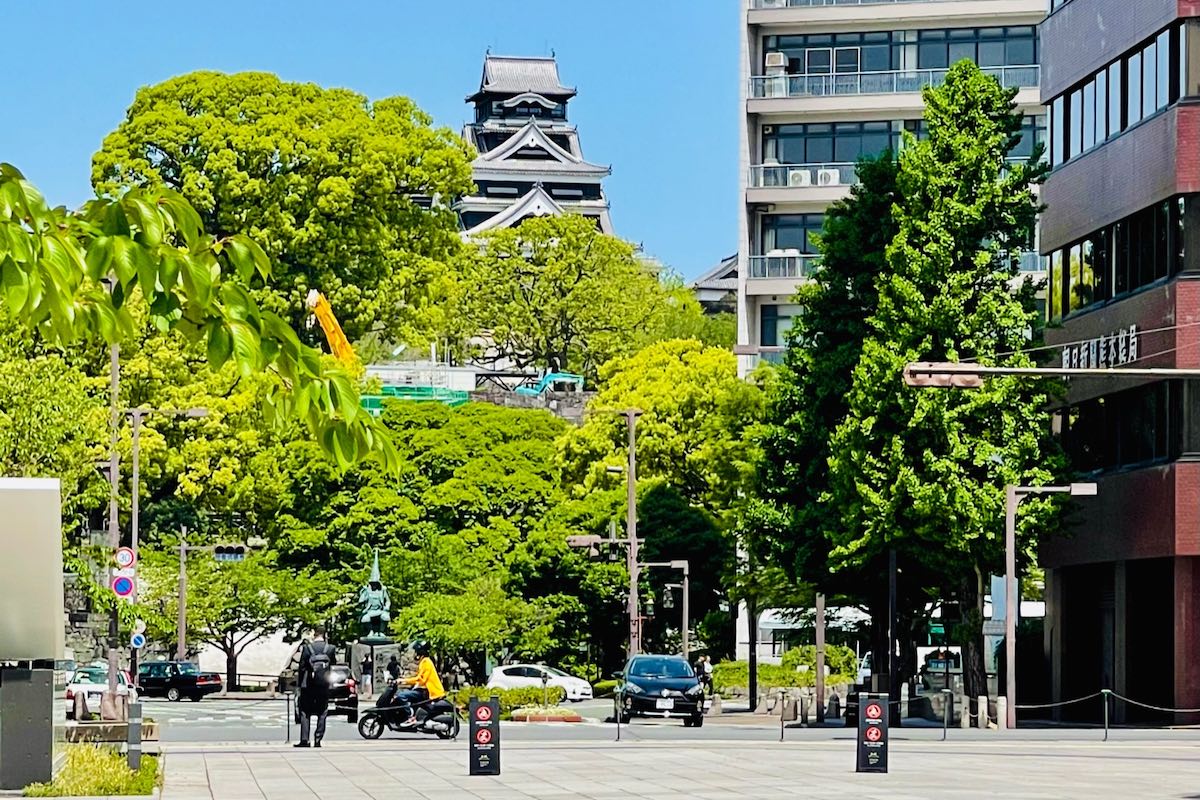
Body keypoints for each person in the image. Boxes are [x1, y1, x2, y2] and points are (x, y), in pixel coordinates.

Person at [295, 627, 334, 748]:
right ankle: (318, 739)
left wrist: (300, 685)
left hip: (308, 685)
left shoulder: (308, 648)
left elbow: (301, 667)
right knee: (322, 712)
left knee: (305, 712)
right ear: (324, 635)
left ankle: (304, 740)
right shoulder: (330, 649)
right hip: (323, 685)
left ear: (314, 635)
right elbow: (333, 665)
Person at [394, 640, 445, 727]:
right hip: (423, 690)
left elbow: (421, 679)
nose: (415, 654)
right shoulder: (424, 662)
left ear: (420, 652)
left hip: (427, 692)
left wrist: (405, 680)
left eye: (416, 652)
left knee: (401, 696)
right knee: (401, 693)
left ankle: (410, 716)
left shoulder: (426, 662)